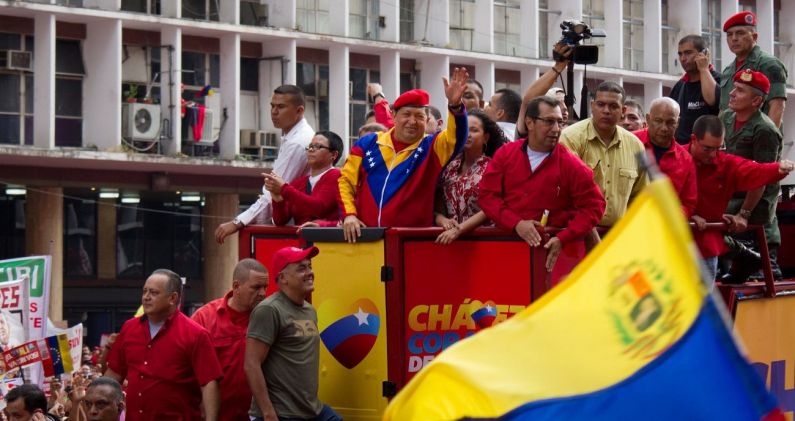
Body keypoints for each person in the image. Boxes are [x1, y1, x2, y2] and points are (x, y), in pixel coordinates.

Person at [479, 96, 606, 285]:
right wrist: (517, 224)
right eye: (549, 121)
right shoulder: (506, 154)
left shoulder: (571, 164)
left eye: (559, 122)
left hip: (552, 259)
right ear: (529, 122)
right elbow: (487, 197)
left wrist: (564, 237)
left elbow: (595, 207)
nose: (556, 129)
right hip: (507, 250)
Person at [338, 68, 470, 242]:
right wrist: (349, 215)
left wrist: (455, 106)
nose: (412, 122)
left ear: (427, 121)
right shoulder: (368, 143)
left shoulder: (432, 147)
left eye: (419, 116)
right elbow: (346, 181)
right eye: (406, 114)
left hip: (411, 243)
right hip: (366, 239)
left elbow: (457, 138)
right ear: (393, 115)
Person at [687, 115, 794, 285]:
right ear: (694, 140)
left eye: (718, 148)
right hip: (672, 242)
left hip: (705, 247)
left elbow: (752, 171)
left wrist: (777, 168)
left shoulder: (725, 164)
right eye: (707, 149)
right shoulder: (676, 158)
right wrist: (689, 216)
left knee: (700, 303)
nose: (713, 155)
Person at [105, 269, 222, 421]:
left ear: (173, 298)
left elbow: (209, 383)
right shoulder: (129, 328)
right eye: (145, 291)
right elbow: (113, 375)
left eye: (153, 293)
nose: (146, 297)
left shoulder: (196, 334)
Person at [244, 246, 341, 421]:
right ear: (283, 278)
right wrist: (268, 413)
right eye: (301, 268)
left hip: (312, 411)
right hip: (281, 414)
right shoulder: (269, 310)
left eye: (310, 266)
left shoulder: (310, 310)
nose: (310, 272)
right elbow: (251, 364)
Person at [215, 85, 315, 243]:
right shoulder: (294, 135)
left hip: (295, 228)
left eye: (281, 107)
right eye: (272, 106)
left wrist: (238, 222)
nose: (274, 112)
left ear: (299, 111)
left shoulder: (298, 141)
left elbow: (274, 192)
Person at [720, 69, 784, 280]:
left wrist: (743, 214)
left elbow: (761, 177)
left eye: (740, 90)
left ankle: (747, 258)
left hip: (753, 202)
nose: (731, 93)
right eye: (733, 88)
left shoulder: (764, 129)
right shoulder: (727, 118)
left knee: (710, 226)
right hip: (731, 194)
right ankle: (742, 259)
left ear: (756, 100)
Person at [560, 81, 648, 230]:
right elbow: (563, 194)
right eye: (601, 105)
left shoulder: (636, 145)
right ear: (592, 106)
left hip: (617, 236)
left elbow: (641, 195)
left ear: (623, 110)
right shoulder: (570, 138)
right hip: (577, 234)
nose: (606, 110)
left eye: (613, 106)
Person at [191, 259, 269, 421]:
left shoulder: (268, 319)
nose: (262, 293)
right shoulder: (204, 318)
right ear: (236, 287)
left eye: (265, 287)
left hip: (256, 416)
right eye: (256, 288)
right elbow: (185, 366)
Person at [434, 109, 507, 244]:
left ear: (486, 137)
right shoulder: (448, 166)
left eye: (474, 130)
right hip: (449, 241)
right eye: (464, 129)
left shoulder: (493, 167)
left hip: (485, 241)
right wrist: (443, 221)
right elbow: (437, 208)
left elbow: (492, 208)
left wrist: (459, 229)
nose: (467, 134)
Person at [718, 11, 787, 128]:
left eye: (740, 33)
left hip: (756, 141)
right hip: (730, 141)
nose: (734, 38)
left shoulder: (769, 64)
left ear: (754, 37)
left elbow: (777, 106)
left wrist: (767, 141)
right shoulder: (728, 71)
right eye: (729, 35)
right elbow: (723, 110)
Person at [631, 98, 697, 217]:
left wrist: (671, 214)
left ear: (677, 123)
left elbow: (688, 203)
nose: (664, 128)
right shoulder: (629, 143)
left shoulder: (685, 160)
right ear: (648, 119)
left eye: (670, 122)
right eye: (658, 121)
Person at [268, 131, 344, 226]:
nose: (311, 149)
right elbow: (280, 221)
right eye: (310, 146)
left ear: (334, 155)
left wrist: (284, 188)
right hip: (302, 239)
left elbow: (318, 207)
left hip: (327, 239)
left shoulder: (337, 175)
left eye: (318, 146)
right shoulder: (298, 183)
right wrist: (277, 200)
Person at [669, 34, 720, 145]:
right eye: (680, 54)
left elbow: (712, 100)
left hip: (707, 151)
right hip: (682, 152)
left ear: (704, 53)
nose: (683, 58)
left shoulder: (719, 80)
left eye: (688, 53)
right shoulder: (680, 86)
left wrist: (704, 69)